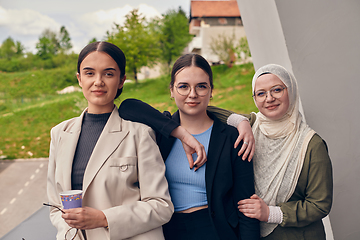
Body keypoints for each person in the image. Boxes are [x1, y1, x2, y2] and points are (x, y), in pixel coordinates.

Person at [119, 53, 260, 240]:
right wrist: (181, 133)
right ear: (171, 90)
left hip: (214, 230)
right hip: (166, 229)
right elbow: (127, 107)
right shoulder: (161, 132)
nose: (192, 94)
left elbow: (246, 205)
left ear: (211, 91)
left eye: (201, 86)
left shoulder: (232, 136)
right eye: (183, 87)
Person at [46, 41, 174, 240]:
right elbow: (56, 207)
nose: (98, 81)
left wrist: (104, 218)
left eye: (108, 73)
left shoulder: (139, 133)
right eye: (89, 73)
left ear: (121, 80)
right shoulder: (59, 133)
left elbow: (161, 206)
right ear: (79, 79)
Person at [230, 64, 332, 239]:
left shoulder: (311, 144)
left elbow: (320, 204)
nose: (269, 98)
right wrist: (239, 121)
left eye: (277, 90)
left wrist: (270, 213)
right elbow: (208, 112)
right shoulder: (250, 127)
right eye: (261, 93)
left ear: (291, 90)